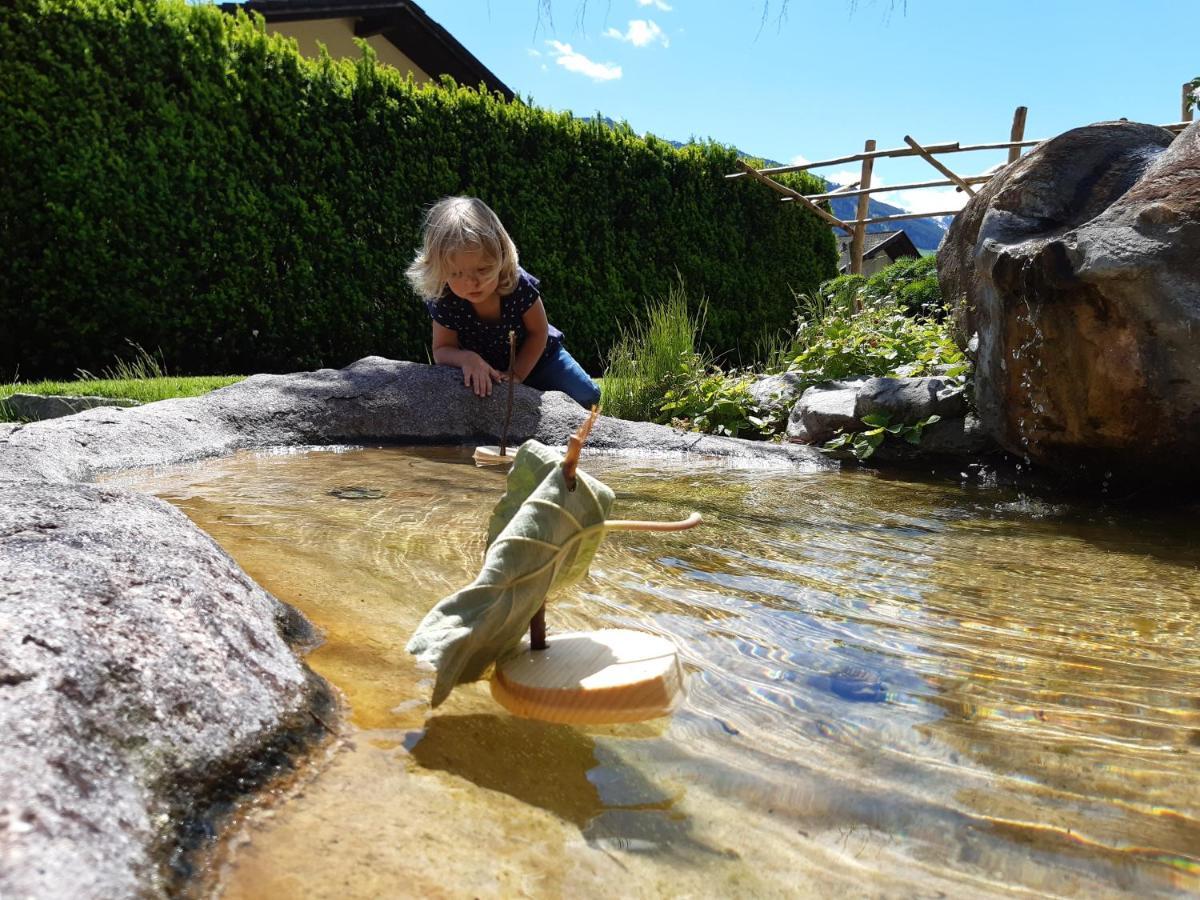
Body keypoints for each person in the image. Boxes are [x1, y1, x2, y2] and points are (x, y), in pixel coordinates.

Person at [405, 196, 601, 409]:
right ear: (440, 271)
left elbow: (539, 332)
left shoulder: (517, 284)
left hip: (541, 358)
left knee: (587, 396)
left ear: (501, 255)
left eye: (482, 269)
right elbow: (443, 348)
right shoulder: (446, 299)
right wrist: (467, 359)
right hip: (483, 367)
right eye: (457, 273)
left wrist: (517, 374)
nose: (471, 282)